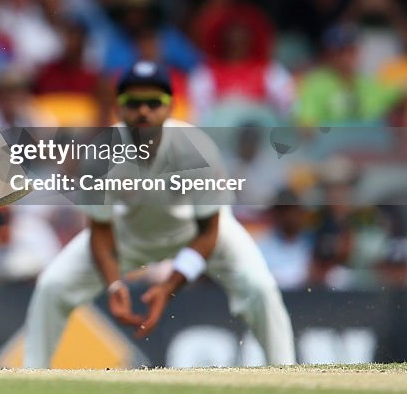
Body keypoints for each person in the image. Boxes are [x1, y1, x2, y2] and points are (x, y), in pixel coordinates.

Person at [22, 60, 296, 368]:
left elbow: (209, 231)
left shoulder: (195, 148)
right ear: (119, 107)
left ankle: (285, 374)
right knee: (52, 286)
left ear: (170, 107)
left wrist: (169, 287)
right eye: (134, 103)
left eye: (154, 103)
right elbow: (100, 230)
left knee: (260, 288)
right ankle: (31, 376)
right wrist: (114, 285)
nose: (144, 111)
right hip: (127, 237)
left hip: (199, 234)